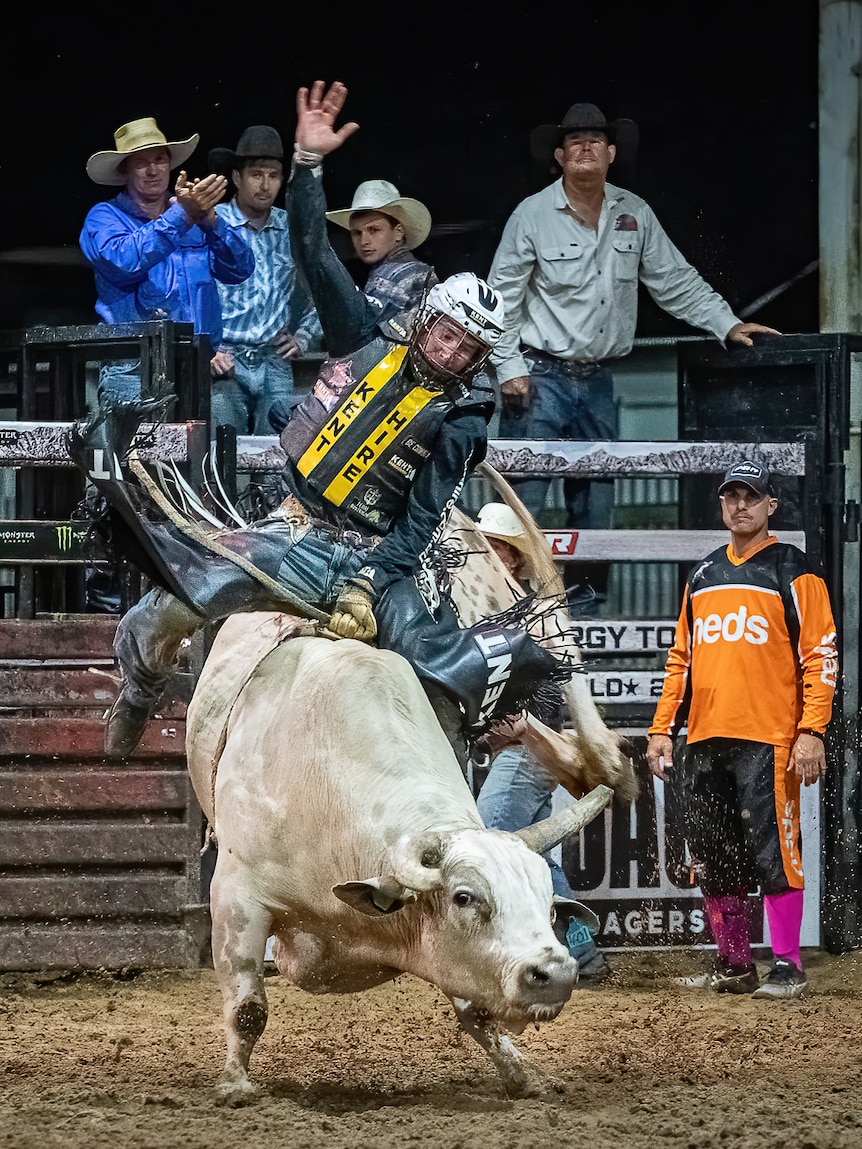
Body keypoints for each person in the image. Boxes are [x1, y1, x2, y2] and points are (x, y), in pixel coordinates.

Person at [70, 81, 568, 766]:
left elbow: (420, 521)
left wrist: (369, 581)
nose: (450, 352)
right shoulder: (366, 336)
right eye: (447, 334)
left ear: (479, 358)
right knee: (175, 600)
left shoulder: (461, 416)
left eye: (466, 348)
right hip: (299, 532)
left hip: (381, 565)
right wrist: (306, 165)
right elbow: (312, 249)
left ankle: (462, 792)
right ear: (429, 322)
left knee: (439, 677)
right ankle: (140, 686)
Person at [487, 102, 781, 534]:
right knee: (521, 498)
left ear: (611, 153)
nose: (585, 146)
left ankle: (588, 601)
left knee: (597, 498)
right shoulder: (530, 215)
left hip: (600, 379)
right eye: (574, 140)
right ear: (559, 157)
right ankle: (507, 600)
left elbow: (674, 280)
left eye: (595, 140)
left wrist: (727, 323)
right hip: (539, 376)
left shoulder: (635, 213)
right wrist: (509, 368)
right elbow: (501, 298)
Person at [646, 460, 838, 1000]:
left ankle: (788, 965)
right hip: (704, 739)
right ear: (721, 504)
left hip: (769, 737)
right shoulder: (702, 574)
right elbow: (680, 658)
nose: (740, 506)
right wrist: (662, 729)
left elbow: (820, 654)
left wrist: (812, 730)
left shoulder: (793, 569)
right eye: (731, 496)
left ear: (771, 505)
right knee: (715, 855)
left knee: (775, 854)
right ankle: (734, 964)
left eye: (751, 497)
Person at [472, 501, 608, 980]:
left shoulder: (526, 612)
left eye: (492, 546)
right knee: (532, 855)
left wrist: (522, 725)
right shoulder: (513, 607)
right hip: (526, 748)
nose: (483, 554)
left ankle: (552, 950)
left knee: (494, 843)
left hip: (526, 748)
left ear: (510, 556)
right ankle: (583, 950)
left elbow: (551, 685)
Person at [80, 116, 255, 402]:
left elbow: (240, 269)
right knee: (133, 449)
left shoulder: (191, 216)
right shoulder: (104, 217)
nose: (153, 170)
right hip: (132, 372)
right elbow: (124, 260)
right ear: (125, 170)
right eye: (141, 162)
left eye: (160, 160)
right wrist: (182, 215)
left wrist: (211, 221)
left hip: (198, 369)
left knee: (202, 447)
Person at [207, 125, 322, 437]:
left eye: (273, 175)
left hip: (274, 360)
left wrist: (305, 336)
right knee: (222, 456)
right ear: (236, 177)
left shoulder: (290, 228)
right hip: (225, 359)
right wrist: (205, 348)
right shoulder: (213, 223)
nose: (265, 184)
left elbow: (323, 285)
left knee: (274, 460)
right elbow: (188, 291)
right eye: (256, 174)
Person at [325, 178, 438, 314]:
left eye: (374, 230)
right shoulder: (408, 271)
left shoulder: (395, 278)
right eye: (356, 232)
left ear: (398, 232)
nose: (364, 241)